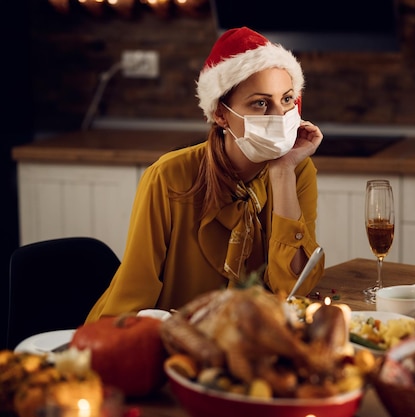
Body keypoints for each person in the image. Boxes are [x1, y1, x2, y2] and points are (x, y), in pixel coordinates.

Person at [86, 27, 325, 322]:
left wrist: (283, 173)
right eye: (261, 103)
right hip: (168, 340)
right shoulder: (167, 177)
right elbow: (133, 298)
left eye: (287, 99)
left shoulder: (296, 169)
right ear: (221, 115)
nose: (279, 115)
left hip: (247, 341)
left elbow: (292, 290)